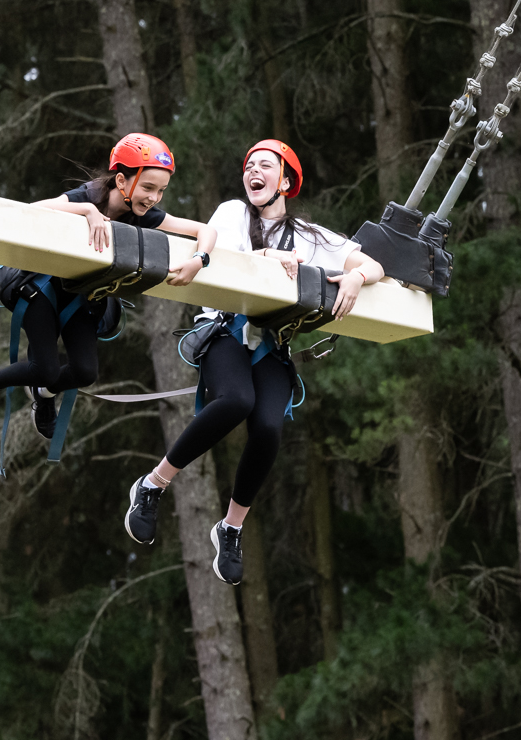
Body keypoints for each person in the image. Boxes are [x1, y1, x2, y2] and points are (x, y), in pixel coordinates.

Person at [122, 139, 384, 585]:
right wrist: (268, 257)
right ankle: (153, 484)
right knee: (237, 400)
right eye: (249, 166)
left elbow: (371, 264)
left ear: (285, 181)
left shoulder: (310, 237)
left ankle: (231, 528)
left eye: (265, 165)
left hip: (271, 343)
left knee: (268, 427)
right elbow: (223, 259)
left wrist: (357, 276)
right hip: (225, 328)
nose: (253, 172)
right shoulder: (232, 214)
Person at [0, 133, 217, 438]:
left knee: (85, 372)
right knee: (44, 369)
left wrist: (199, 259)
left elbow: (204, 230)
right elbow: (34, 209)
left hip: (83, 298)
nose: (154, 198)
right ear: (122, 180)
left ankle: (45, 394)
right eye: (148, 187)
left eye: (161, 191)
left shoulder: (144, 215)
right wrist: (87, 211)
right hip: (42, 289)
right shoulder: (89, 195)